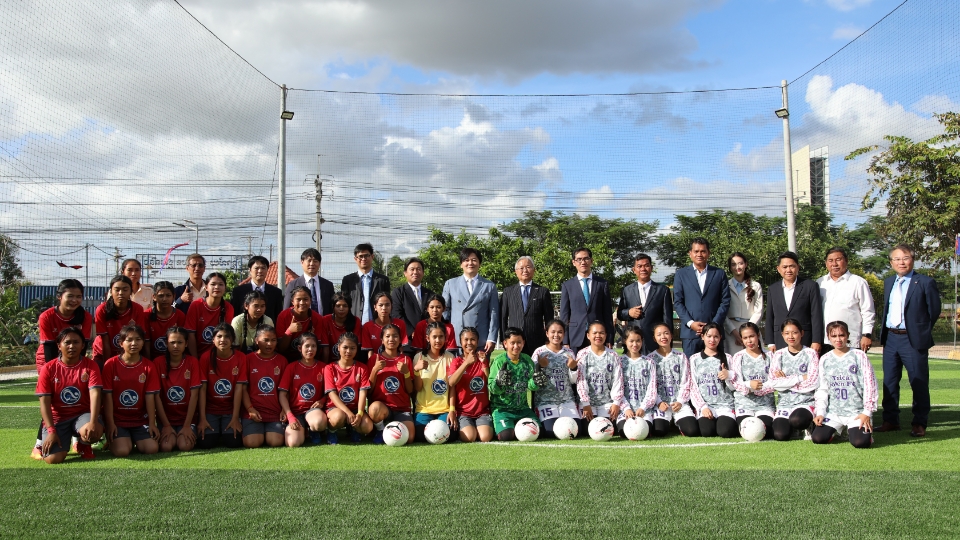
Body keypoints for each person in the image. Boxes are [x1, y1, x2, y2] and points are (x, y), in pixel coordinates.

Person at [876, 244, 941, 437]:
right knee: (889, 381)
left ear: (912, 260)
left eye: (905, 258)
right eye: (896, 259)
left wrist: (920, 331)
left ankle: (919, 422)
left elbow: (934, 311)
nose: (901, 262)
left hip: (913, 340)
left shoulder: (924, 282)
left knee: (918, 382)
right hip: (891, 339)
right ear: (891, 262)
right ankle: (890, 420)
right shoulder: (889, 282)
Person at [35, 327, 103, 463]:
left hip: (82, 414)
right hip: (58, 418)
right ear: (59, 346)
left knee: (93, 432)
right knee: (52, 459)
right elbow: (44, 402)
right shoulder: (48, 368)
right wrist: (51, 430)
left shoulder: (90, 365)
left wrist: (94, 421)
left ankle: (84, 445)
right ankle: (54, 440)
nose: (72, 346)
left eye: (76, 342)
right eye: (67, 342)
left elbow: (95, 394)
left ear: (83, 345)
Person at [812, 321, 877, 448]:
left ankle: (860, 434)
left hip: (856, 412)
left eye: (841, 335)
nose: (838, 339)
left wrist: (867, 412)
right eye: (834, 336)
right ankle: (836, 431)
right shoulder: (825, 359)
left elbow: (870, 385)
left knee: (860, 443)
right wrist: (820, 412)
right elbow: (823, 388)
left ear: (848, 335)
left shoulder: (859, 356)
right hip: (834, 412)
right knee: (818, 438)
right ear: (828, 337)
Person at [101, 323, 161, 457]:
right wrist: (110, 424)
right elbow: (107, 397)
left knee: (152, 448)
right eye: (129, 340)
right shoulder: (110, 364)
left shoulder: (148, 366)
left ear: (143, 342)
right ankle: (116, 440)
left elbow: (149, 397)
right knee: (122, 451)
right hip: (118, 420)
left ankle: (133, 438)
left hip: (140, 420)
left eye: (138, 339)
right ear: (121, 343)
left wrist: (152, 423)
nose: (134, 343)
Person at [673, 238, 730, 358]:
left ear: (708, 253)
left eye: (703, 251)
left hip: (714, 334)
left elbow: (725, 301)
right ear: (690, 253)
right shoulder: (681, 274)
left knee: (717, 369)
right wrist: (691, 323)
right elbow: (678, 302)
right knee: (691, 371)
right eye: (696, 251)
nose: (699, 254)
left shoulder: (719, 273)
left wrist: (712, 326)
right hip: (690, 333)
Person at [488, 327, 546, 441]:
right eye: (512, 343)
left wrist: (536, 382)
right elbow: (491, 388)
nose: (516, 346)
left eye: (519, 342)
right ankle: (504, 426)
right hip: (502, 409)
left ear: (523, 343)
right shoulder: (499, 361)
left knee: (540, 433)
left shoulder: (527, 360)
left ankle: (516, 426)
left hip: (523, 409)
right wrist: (499, 383)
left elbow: (530, 385)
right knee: (506, 436)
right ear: (505, 343)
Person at [196, 324, 246, 449]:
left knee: (234, 442)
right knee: (206, 443)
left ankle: (223, 429)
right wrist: (202, 418)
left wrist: (235, 418)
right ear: (213, 339)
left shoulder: (240, 357)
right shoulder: (206, 357)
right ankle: (217, 430)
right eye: (219, 336)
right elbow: (202, 389)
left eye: (227, 337)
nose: (223, 340)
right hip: (211, 409)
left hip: (230, 410)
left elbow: (239, 389)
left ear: (233, 339)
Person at [817, 247, 876, 354]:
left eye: (838, 260)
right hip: (825, 342)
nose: (834, 264)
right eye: (830, 261)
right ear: (826, 263)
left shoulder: (858, 282)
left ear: (846, 261)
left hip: (850, 342)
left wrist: (866, 334)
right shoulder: (820, 283)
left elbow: (868, 310)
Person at [769, 319, 820, 441]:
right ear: (782, 335)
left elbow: (813, 382)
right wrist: (801, 378)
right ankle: (793, 428)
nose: (790, 336)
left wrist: (785, 381)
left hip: (805, 401)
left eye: (794, 332)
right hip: (785, 403)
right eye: (786, 333)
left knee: (797, 421)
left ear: (802, 333)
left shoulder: (810, 353)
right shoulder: (778, 354)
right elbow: (773, 383)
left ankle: (808, 424)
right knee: (780, 435)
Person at [442, 248, 500, 354]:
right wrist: (445, 335)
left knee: (481, 370)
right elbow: (445, 312)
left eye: (474, 260)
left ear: (479, 263)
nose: (470, 263)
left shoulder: (489, 286)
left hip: (481, 340)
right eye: (466, 260)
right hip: (456, 339)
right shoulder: (450, 284)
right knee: (457, 370)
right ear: (461, 264)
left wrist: (491, 338)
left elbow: (494, 314)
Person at [530, 320, 583, 438]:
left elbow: (574, 380)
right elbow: (533, 380)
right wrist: (540, 366)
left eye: (560, 332)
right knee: (550, 432)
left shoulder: (569, 352)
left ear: (564, 334)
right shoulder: (539, 352)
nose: (556, 335)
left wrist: (573, 368)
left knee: (576, 431)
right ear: (547, 333)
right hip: (546, 401)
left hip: (567, 401)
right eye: (553, 332)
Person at [765, 251, 824, 353]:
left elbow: (816, 315)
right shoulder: (773, 289)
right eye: (785, 267)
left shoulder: (810, 286)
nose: (788, 270)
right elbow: (770, 316)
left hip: (805, 339)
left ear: (798, 267)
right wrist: (770, 342)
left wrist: (816, 340)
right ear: (778, 269)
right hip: (780, 339)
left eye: (792, 266)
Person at [154, 327, 201, 453]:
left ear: (186, 344)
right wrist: (166, 425)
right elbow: (156, 396)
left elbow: (194, 396)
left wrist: (187, 426)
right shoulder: (158, 363)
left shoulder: (192, 362)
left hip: (186, 419)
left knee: (184, 446)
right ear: (166, 344)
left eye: (180, 342)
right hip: (166, 419)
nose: (176, 346)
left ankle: (183, 430)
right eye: (172, 342)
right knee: (166, 447)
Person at [647, 323, 699, 437]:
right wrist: (659, 402)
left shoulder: (681, 356)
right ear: (654, 338)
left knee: (692, 431)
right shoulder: (650, 359)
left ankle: (678, 421)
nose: (663, 337)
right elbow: (650, 387)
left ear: (671, 335)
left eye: (666, 333)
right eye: (659, 334)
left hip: (679, 403)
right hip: (660, 404)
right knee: (659, 432)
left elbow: (686, 382)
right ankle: (667, 421)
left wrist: (680, 401)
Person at [278, 333, 329, 447]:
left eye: (313, 346)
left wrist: (322, 401)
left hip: (313, 411)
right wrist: (290, 416)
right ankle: (304, 430)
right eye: (307, 346)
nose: (310, 349)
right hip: (295, 412)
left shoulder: (323, 367)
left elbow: (330, 392)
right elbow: (282, 394)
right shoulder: (291, 367)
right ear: (300, 348)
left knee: (318, 423)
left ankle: (313, 430)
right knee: (293, 443)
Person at [366, 324, 414, 444]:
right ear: (382, 340)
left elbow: (410, 390)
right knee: (374, 409)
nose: (391, 339)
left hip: (401, 408)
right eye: (387, 336)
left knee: (409, 438)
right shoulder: (375, 359)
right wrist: (374, 370)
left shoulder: (406, 360)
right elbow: (369, 391)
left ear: (400, 339)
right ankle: (380, 429)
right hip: (382, 407)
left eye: (395, 336)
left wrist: (406, 373)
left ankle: (390, 426)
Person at [688, 323, 738, 438]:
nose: (712, 340)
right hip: (706, 406)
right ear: (702, 337)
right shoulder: (694, 359)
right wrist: (703, 407)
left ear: (720, 337)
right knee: (707, 432)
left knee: (725, 432)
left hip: (725, 405)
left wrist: (729, 375)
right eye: (709, 336)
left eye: (716, 336)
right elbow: (693, 386)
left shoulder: (728, 358)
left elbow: (735, 385)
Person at [617, 253, 673, 355]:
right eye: (639, 266)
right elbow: (620, 314)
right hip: (633, 342)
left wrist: (668, 344)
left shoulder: (662, 290)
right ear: (634, 270)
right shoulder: (627, 290)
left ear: (651, 268)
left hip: (655, 342)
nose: (643, 269)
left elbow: (667, 319)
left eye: (646, 265)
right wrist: (629, 312)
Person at [560, 247, 614, 352]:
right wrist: (565, 340)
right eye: (579, 259)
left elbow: (607, 314)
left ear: (591, 261)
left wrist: (610, 338)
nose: (583, 262)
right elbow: (564, 315)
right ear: (573, 262)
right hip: (575, 337)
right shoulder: (567, 285)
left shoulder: (602, 284)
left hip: (598, 336)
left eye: (586, 258)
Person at [241, 325, 287, 448]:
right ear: (256, 340)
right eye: (266, 340)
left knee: (275, 442)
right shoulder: (248, 359)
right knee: (252, 443)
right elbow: (243, 389)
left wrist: (284, 409)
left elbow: (285, 390)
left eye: (273, 340)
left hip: (275, 412)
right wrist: (250, 409)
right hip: (253, 411)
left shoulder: (282, 361)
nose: (269, 344)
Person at [324, 332, 373, 444]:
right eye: (345, 347)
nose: (348, 351)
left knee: (367, 427)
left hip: (355, 409)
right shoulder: (329, 368)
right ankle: (331, 431)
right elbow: (332, 394)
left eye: (352, 348)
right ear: (338, 347)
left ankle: (353, 428)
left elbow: (362, 393)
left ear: (357, 349)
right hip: (336, 409)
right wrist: (348, 412)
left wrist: (360, 413)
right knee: (338, 417)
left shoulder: (362, 368)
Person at [500, 256, 554, 356]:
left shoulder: (543, 292)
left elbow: (549, 319)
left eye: (528, 267)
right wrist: (504, 338)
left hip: (537, 341)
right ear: (515, 271)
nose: (525, 270)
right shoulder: (508, 292)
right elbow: (502, 318)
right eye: (521, 268)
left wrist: (548, 339)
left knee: (536, 370)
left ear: (534, 270)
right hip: (514, 342)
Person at [412, 322, 456, 442]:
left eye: (441, 337)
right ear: (427, 338)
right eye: (434, 337)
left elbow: (452, 386)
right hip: (424, 410)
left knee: (450, 435)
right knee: (422, 436)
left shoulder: (450, 358)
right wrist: (416, 370)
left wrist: (452, 409)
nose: (438, 340)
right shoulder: (419, 358)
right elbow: (418, 388)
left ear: (445, 338)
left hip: (444, 410)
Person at [35, 278, 92, 372]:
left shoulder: (86, 317)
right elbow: (49, 348)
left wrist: (76, 366)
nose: (74, 300)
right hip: (48, 358)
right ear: (59, 296)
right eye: (70, 296)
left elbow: (82, 347)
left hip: (73, 358)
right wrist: (54, 371)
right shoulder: (46, 317)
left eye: (78, 296)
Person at [729, 322, 774, 438]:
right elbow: (736, 383)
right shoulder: (738, 357)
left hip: (765, 404)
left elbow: (774, 382)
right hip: (744, 404)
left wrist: (759, 388)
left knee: (765, 432)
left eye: (751, 336)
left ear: (758, 335)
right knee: (748, 430)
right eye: (745, 338)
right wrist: (749, 385)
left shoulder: (771, 356)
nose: (749, 341)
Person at [447, 327, 493, 443]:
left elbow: (490, 382)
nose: (469, 343)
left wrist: (484, 365)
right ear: (460, 342)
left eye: (472, 340)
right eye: (465, 340)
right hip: (464, 412)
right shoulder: (457, 361)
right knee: (469, 437)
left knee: (485, 437)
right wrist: (466, 363)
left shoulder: (482, 359)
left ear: (477, 342)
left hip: (482, 411)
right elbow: (451, 382)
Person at [574, 321, 623, 428]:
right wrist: (586, 404)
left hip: (607, 403)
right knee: (587, 429)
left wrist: (616, 403)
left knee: (609, 428)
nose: (598, 336)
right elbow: (581, 381)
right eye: (595, 333)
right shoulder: (582, 354)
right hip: (588, 403)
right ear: (588, 335)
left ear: (606, 335)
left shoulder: (613, 355)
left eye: (601, 333)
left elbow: (618, 380)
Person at [93, 275, 146, 366]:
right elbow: (105, 340)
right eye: (117, 290)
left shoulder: (138, 309)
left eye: (125, 290)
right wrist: (108, 365)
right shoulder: (102, 309)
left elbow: (139, 337)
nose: (121, 293)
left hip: (128, 353)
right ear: (111, 291)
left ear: (131, 292)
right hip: (102, 354)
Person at [616, 326, 658, 438]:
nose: (635, 344)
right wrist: (626, 408)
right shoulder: (619, 362)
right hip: (625, 410)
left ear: (642, 341)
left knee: (643, 433)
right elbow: (617, 389)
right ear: (625, 341)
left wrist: (643, 408)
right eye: (631, 341)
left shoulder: (649, 362)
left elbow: (652, 389)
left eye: (638, 340)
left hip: (644, 410)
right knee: (624, 433)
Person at [184, 272, 234, 359]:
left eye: (220, 284)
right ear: (206, 287)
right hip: (197, 355)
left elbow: (226, 336)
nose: (217, 287)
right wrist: (195, 359)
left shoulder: (228, 307)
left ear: (225, 288)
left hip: (217, 356)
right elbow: (190, 334)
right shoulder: (196, 305)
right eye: (213, 284)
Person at [341, 243, 391, 326]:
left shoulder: (383, 280)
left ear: (372, 257)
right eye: (360, 256)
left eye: (366, 255)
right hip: (354, 324)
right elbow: (345, 302)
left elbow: (387, 303)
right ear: (355, 259)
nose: (363, 259)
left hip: (377, 324)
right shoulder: (348, 280)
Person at [391, 257, 434, 352]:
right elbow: (397, 314)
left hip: (427, 341)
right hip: (408, 342)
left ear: (423, 272)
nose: (415, 272)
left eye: (419, 269)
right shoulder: (398, 292)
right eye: (412, 269)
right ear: (405, 273)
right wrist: (412, 331)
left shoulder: (430, 294)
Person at [724, 252, 763, 355]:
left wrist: (749, 331)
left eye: (740, 263)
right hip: (731, 332)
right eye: (733, 264)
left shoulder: (756, 286)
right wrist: (735, 333)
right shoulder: (724, 286)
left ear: (746, 264)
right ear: (730, 267)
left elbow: (758, 311)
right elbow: (723, 312)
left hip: (752, 329)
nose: (737, 267)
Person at [277, 287, 324, 361]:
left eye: (305, 299)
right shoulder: (283, 316)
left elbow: (318, 349)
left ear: (310, 300)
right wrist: (289, 331)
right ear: (292, 301)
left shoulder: (317, 318)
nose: (302, 303)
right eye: (298, 299)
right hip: (287, 359)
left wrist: (312, 338)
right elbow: (281, 349)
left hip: (308, 360)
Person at [231, 256, 283, 322]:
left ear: (267, 270)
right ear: (250, 270)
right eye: (256, 268)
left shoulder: (276, 292)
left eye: (263, 268)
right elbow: (234, 315)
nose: (260, 271)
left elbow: (278, 316)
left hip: (268, 330)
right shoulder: (238, 292)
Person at [359, 292, 408, 362]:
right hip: (377, 363)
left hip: (396, 362)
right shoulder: (367, 326)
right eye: (380, 305)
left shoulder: (400, 323)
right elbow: (370, 351)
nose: (384, 308)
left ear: (391, 306)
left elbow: (401, 349)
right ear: (375, 307)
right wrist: (373, 366)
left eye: (387, 305)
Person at [284, 248, 334, 315]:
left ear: (319, 263)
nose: (312, 263)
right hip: (300, 324)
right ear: (302, 262)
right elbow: (286, 310)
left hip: (322, 323)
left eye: (315, 261)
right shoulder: (293, 285)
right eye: (309, 260)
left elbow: (332, 309)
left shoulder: (328, 285)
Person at [144, 281, 185, 359]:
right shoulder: (146, 315)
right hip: (152, 359)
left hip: (173, 359)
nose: (165, 299)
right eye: (161, 296)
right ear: (154, 297)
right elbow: (146, 343)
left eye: (168, 295)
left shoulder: (180, 315)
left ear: (174, 296)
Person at [320, 293, 358, 363]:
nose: (341, 309)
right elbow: (325, 348)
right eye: (338, 306)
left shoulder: (356, 321)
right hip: (330, 363)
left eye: (345, 306)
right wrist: (325, 368)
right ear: (333, 307)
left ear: (350, 307)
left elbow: (355, 347)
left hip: (349, 363)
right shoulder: (325, 320)